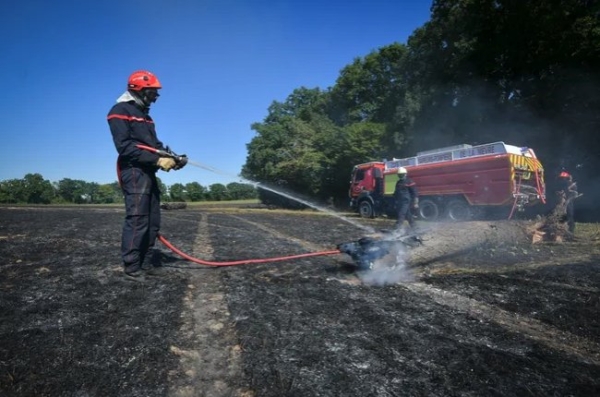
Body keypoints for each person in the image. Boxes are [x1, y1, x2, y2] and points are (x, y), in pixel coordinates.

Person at [107, 70, 187, 280]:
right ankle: (132, 267)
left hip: (147, 171)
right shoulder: (119, 111)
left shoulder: (146, 117)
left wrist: (174, 158)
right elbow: (125, 147)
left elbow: (155, 146)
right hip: (133, 171)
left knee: (152, 220)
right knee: (138, 219)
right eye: (152, 93)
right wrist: (158, 160)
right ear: (139, 90)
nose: (156, 97)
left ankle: (147, 262)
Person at [393, 167, 419, 232]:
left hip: (406, 201)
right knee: (408, 214)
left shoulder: (409, 181)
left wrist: (416, 202)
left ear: (405, 174)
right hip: (400, 201)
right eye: (399, 174)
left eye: (401, 174)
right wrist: (395, 200)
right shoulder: (398, 182)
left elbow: (415, 192)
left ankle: (397, 228)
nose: (400, 176)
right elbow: (396, 192)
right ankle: (415, 227)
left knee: (401, 214)